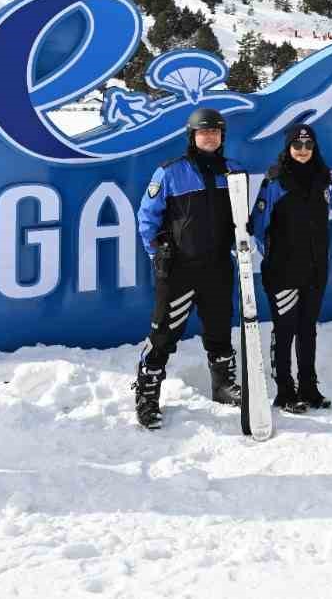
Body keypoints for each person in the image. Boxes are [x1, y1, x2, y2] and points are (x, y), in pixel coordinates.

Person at [132, 107, 242, 430]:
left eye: (215, 132)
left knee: (220, 330)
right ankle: (147, 394)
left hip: (219, 267)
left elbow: (241, 218)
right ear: (192, 137)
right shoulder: (170, 173)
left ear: (222, 137)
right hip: (180, 269)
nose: (210, 137)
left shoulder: (233, 172)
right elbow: (146, 218)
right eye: (203, 132)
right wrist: (156, 251)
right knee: (164, 332)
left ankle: (223, 386)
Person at [249, 123, 332, 413]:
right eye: (297, 146)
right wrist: (275, 256)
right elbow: (257, 226)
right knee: (285, 330)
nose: (303, 151)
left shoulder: (324, 179)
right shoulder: (275, 181)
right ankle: (285, 391)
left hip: (315, 269)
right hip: (283, 271)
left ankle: (309, 387)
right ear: (288, 148)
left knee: (308, 329)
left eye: (309, 146)